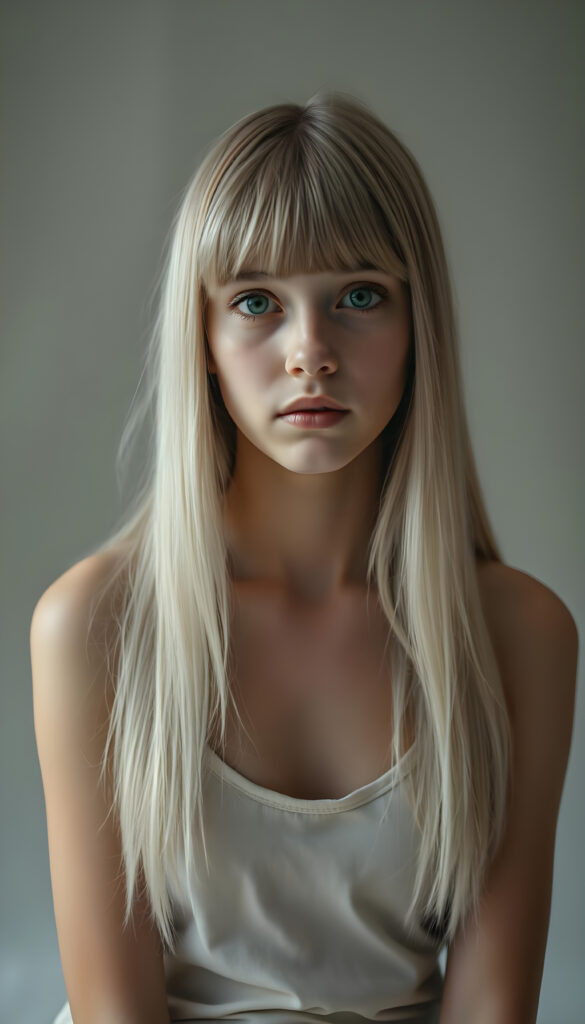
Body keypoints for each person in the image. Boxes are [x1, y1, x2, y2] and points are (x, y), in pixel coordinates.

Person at [31, 91, 578, 1024]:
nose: (310, 352)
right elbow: (113, 1009)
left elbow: (492, 1004)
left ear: (419, 329)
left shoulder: (518, 633)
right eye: (256, 303)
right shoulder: (95, 625)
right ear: (200, 339)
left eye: (359, 296)